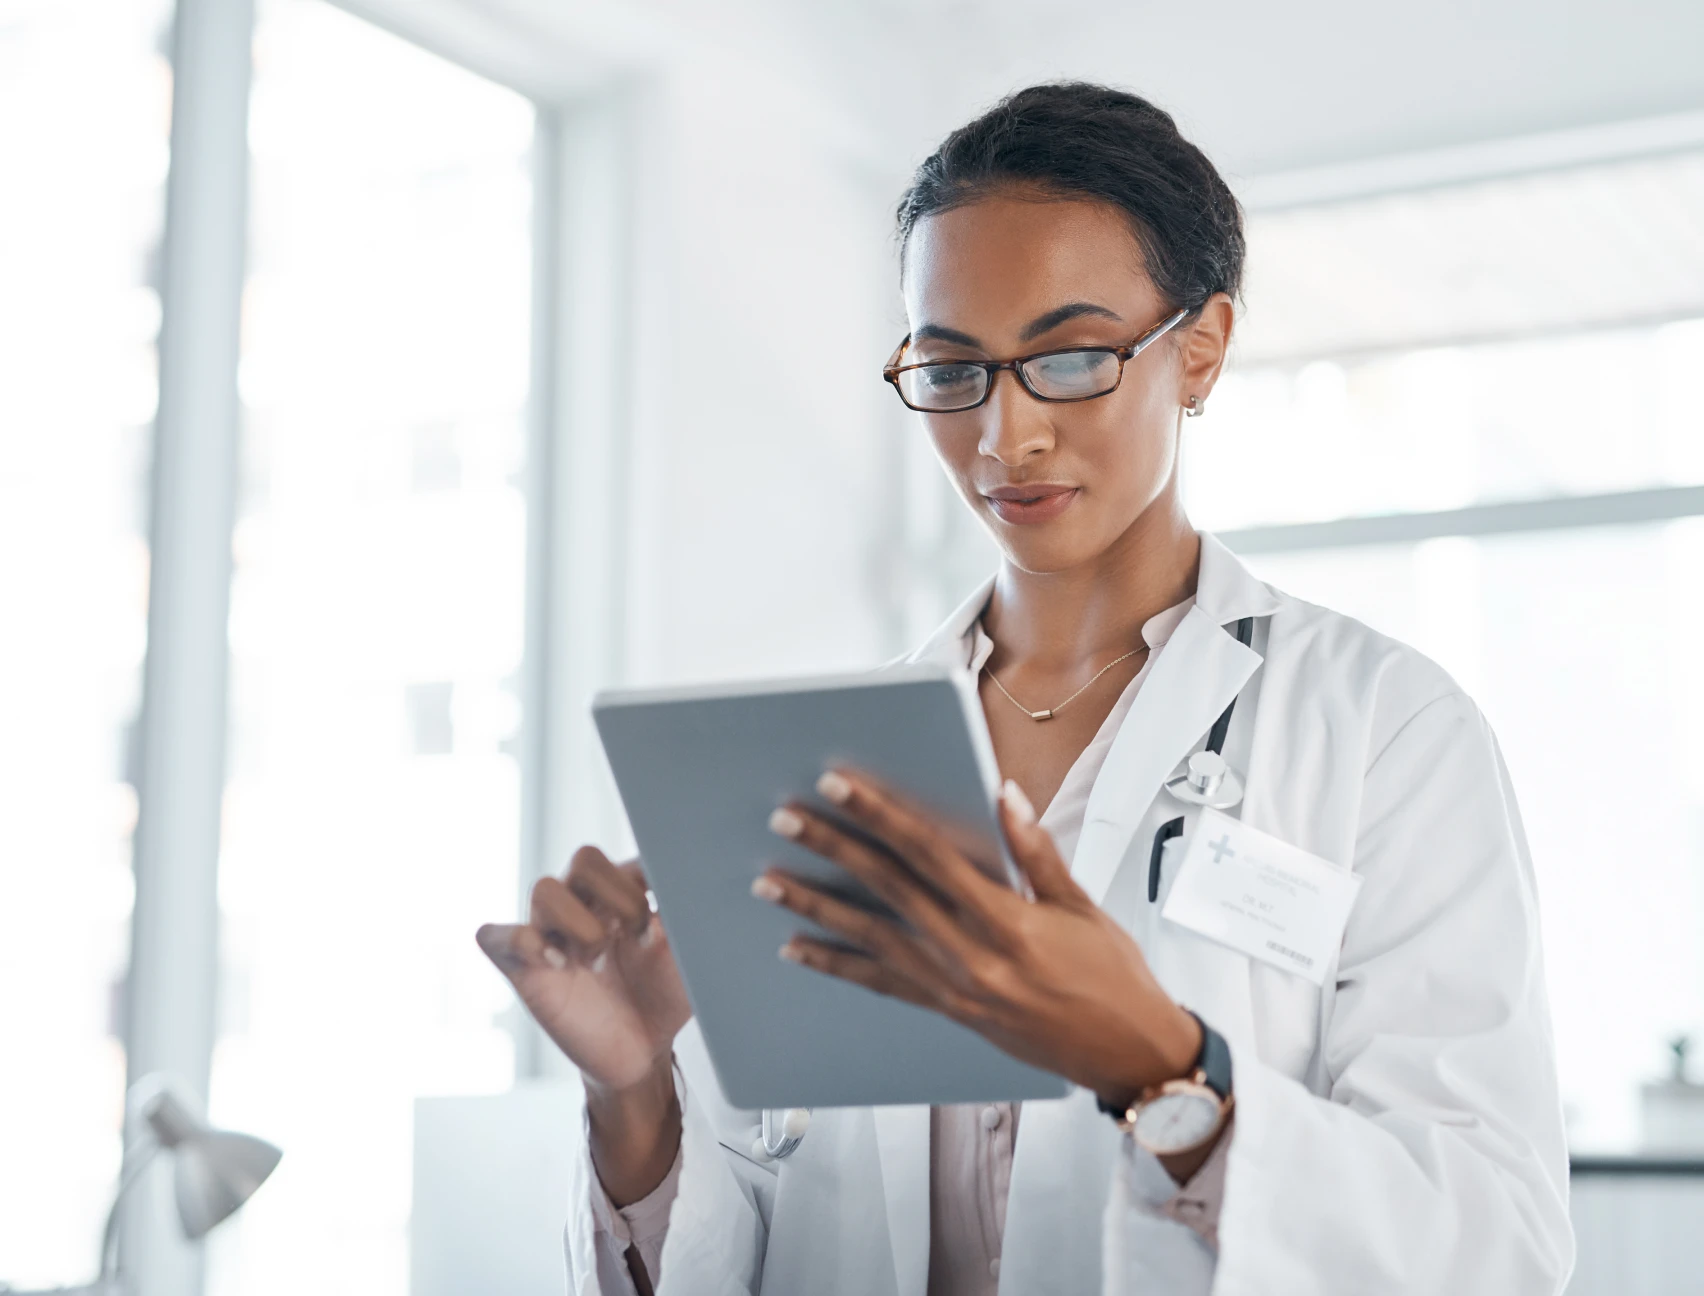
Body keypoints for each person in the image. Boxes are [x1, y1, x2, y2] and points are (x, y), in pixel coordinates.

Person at [476, 82, 1574, 1296]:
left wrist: (1166, 1071)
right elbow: (769, 1229)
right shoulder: (830, 762)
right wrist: (636, 1097)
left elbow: (1495, 1243)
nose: (1005, 437)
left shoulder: (1385, 735)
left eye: (1067, 358)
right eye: (952, 371)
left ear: (1198, 348)